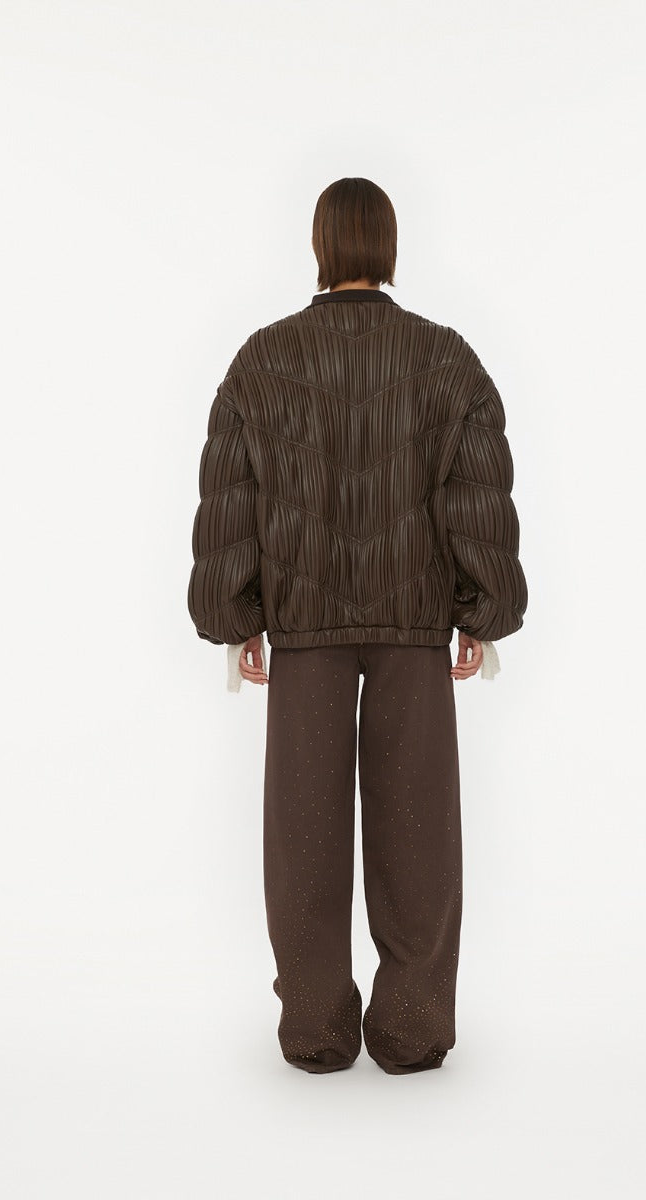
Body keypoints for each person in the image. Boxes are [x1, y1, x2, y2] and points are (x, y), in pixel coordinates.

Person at [187, 177, 528, 1074]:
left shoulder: (262, 360)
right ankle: (412, 1028)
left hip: (304, 628)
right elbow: (478, 490)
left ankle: (315, 1029)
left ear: (320, 247)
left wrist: (236, 616)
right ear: (388, 247)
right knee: (419, 829)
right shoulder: (444, 359)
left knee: (301, 831)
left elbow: (230, 495)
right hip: (414, 623)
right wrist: (483, 609)